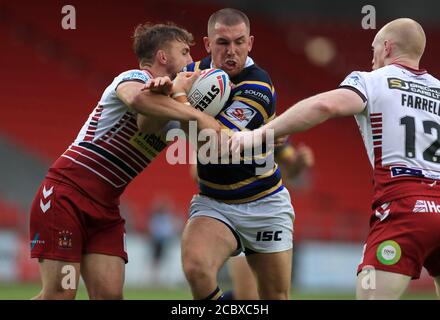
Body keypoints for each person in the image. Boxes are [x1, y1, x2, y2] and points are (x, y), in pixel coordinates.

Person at [230, 18, 440, 300]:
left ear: (388, 47)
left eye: (374, 49)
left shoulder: (370, 81)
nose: (373, 58)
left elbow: (324, 104)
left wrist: (259, 135)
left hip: (404, 208)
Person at [29, 22, 218, 300]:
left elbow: (159, 128)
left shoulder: (174, 106)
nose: (192, 60)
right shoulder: (132, 77)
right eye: (185, 51)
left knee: (109, 297)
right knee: (60, 294)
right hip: (66, 194)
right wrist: (198, 115)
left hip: (106, 210)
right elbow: (138, 101)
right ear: (163, 57)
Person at [180, 8, 295, 300]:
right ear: (207, 44)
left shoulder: (258, 84)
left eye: (239, 42)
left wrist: (179, 104)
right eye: (222, 43)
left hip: (264, 204)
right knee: (196, 268)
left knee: (274, 296)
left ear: (250, 43)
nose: (231, 51)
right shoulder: (192, 72)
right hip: (215, 201)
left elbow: (216, 143)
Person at [226, 142, 314, 300]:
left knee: (273, 293)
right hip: (236, 215)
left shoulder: (271, 132)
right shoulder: (223, 127)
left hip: (268, 217)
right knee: (247, 296)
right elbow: (196, 173)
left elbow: (290, 174)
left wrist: (298, 165)